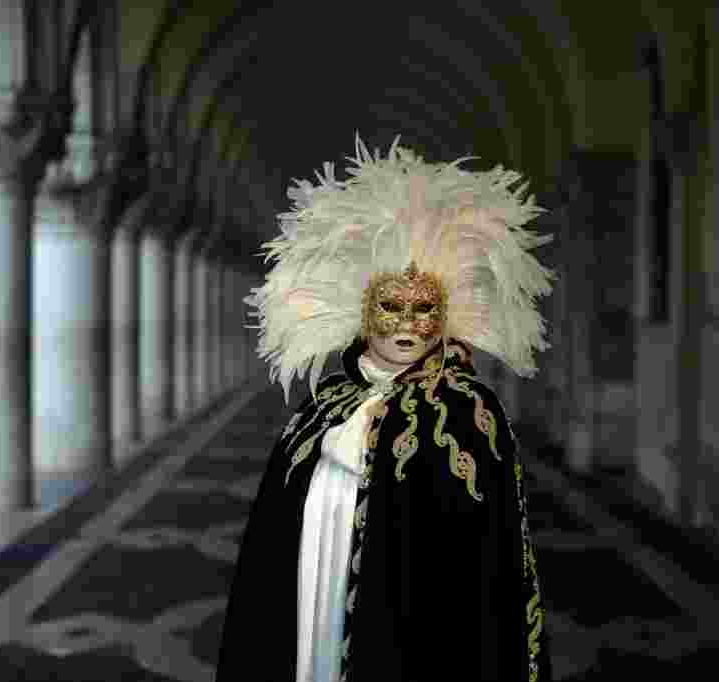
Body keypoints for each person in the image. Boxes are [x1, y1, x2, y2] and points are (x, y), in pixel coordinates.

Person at [217, 136, 556, 682]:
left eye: (423, 310)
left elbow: (483, 566)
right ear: (363, 311)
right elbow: (270, 545)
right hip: (312, 602)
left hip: (414, 638)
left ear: (445, 317)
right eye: (391, 306)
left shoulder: (471, 413)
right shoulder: (322, 405)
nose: (405, 325)